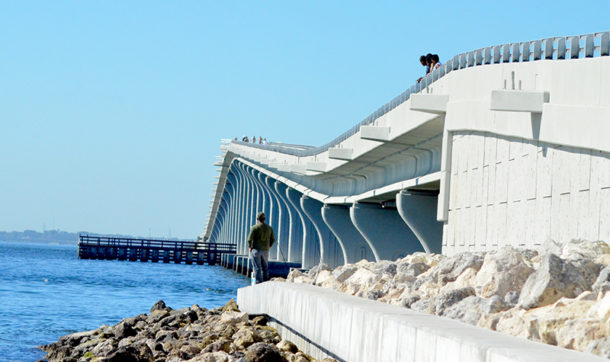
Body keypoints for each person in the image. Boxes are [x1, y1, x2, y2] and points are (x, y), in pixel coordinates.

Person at [247, 212, 275, 283]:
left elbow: (249, 239)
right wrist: (269, 246)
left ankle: (258, 283)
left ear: (257, 219)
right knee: (265, 268)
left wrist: (250, 246)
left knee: (257, 268)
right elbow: (273, 239)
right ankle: (265, 282)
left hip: (256, 250)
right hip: (266, 250)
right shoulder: (269, 228)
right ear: (264, 219)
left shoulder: (254, 228)